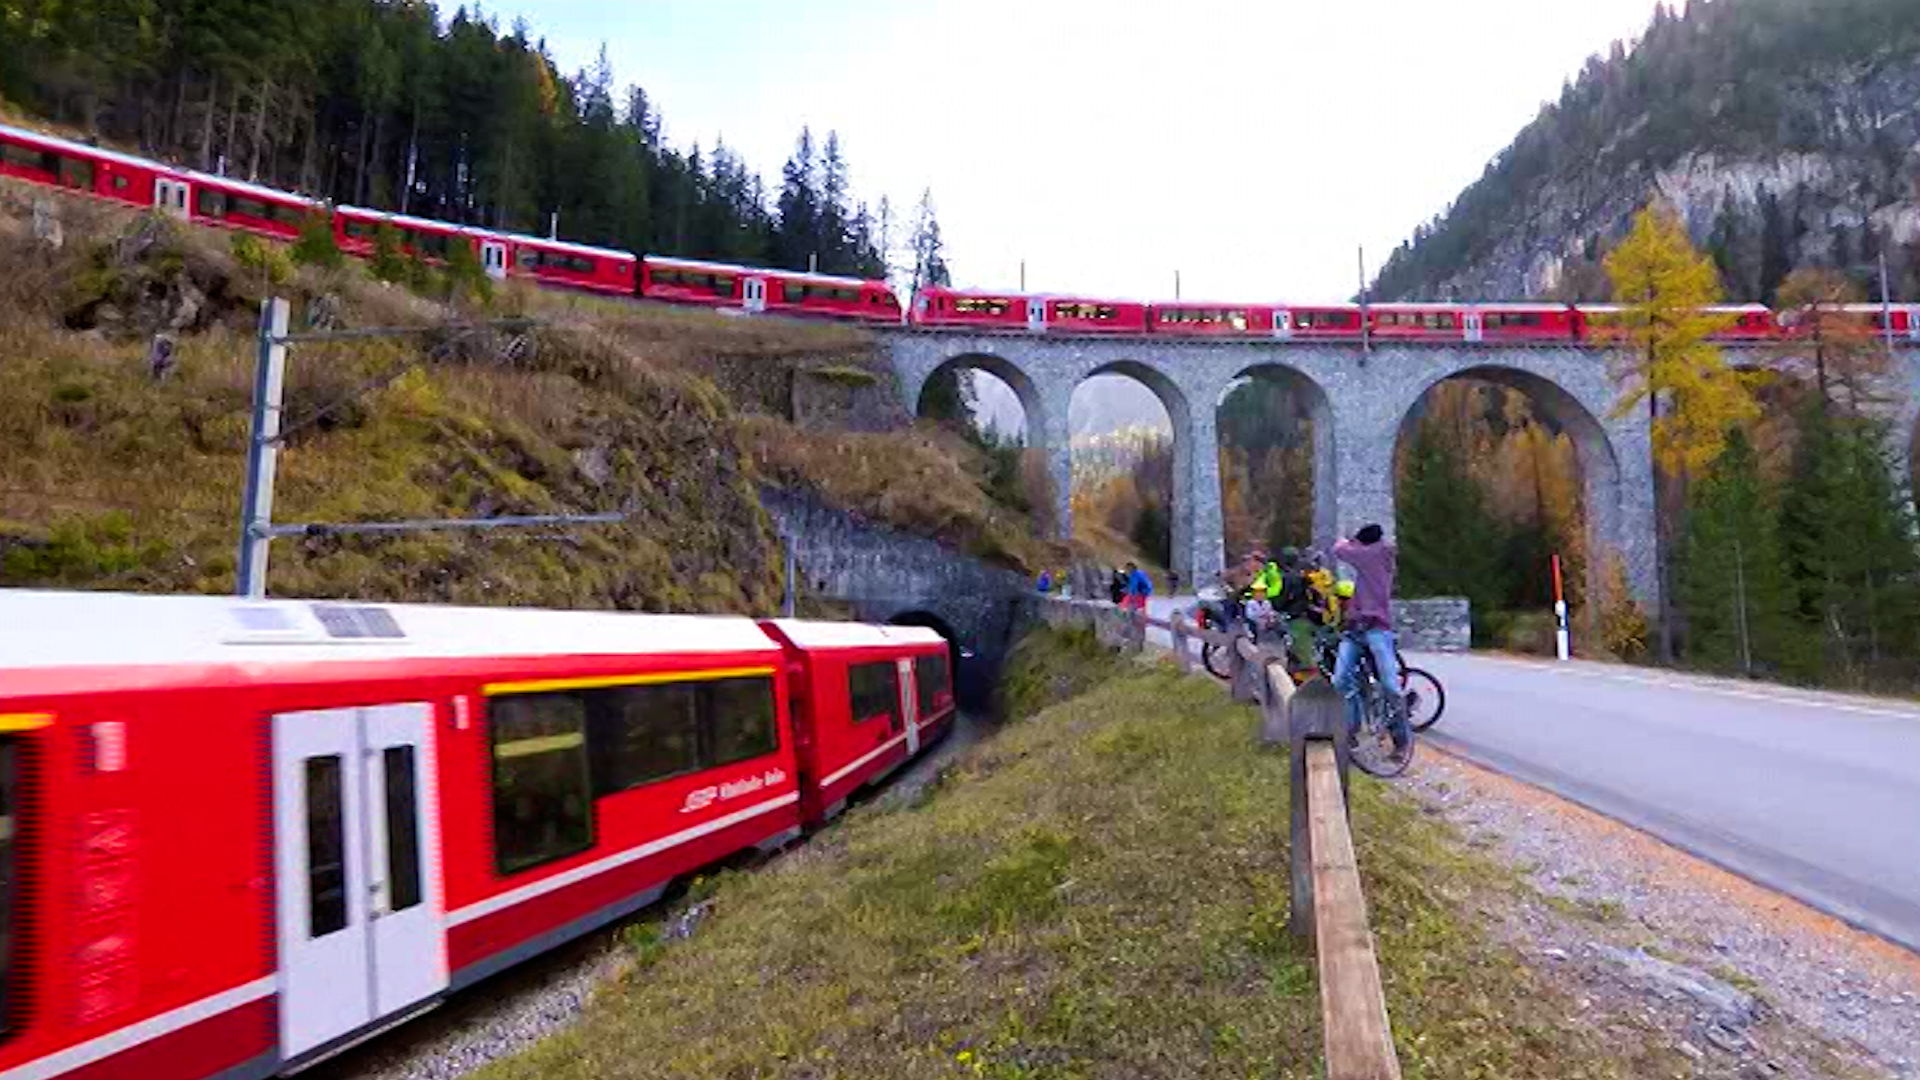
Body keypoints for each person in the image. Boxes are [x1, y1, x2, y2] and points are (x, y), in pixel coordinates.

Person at [1332, 524, 1408, 753]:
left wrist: (1348, 539)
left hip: (1376, 628)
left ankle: (1400, 738)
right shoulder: (1380, 553)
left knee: (1389, 685)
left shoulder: (1373, 554)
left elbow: (1339, 550)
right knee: (1342, 680)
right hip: (1356, 628)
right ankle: (1350, 731)